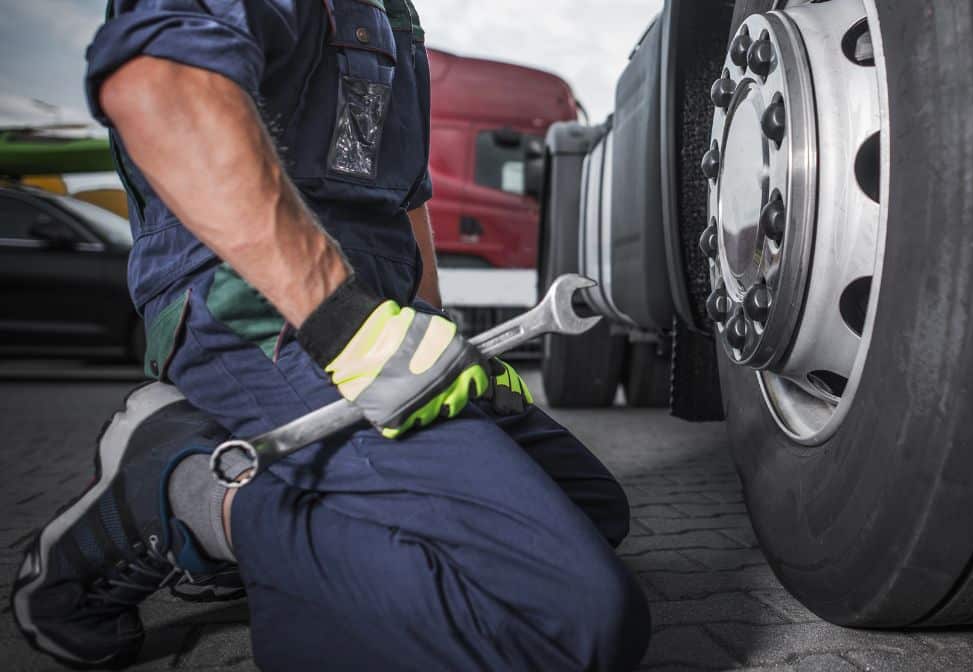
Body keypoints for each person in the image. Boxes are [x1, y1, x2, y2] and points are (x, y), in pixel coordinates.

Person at [10, 1, 651, 669]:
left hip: (373, 309)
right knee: (577, 625)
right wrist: (347, 329)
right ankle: (194, 497)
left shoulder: (392, 11)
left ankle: (261, 491)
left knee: (590, 509)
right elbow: (157, 85)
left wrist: (432, 335)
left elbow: (402, 200)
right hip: (257, 311)